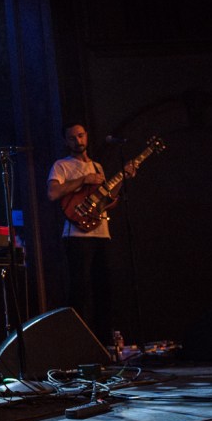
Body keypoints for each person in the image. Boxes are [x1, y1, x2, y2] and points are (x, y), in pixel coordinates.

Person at [47, 123, 134, 345]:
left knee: (104, 288)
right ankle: (79, 343)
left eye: (81, 135)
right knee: (80, 290)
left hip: (101, 232)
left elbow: (105, 202)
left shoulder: (98, 167)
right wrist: (82, 180)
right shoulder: (61, 166)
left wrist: (123, 177)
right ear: (66, 141)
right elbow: (53, 193)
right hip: (76, 236)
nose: (78, 140)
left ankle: (103, 342)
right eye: (73, 137)